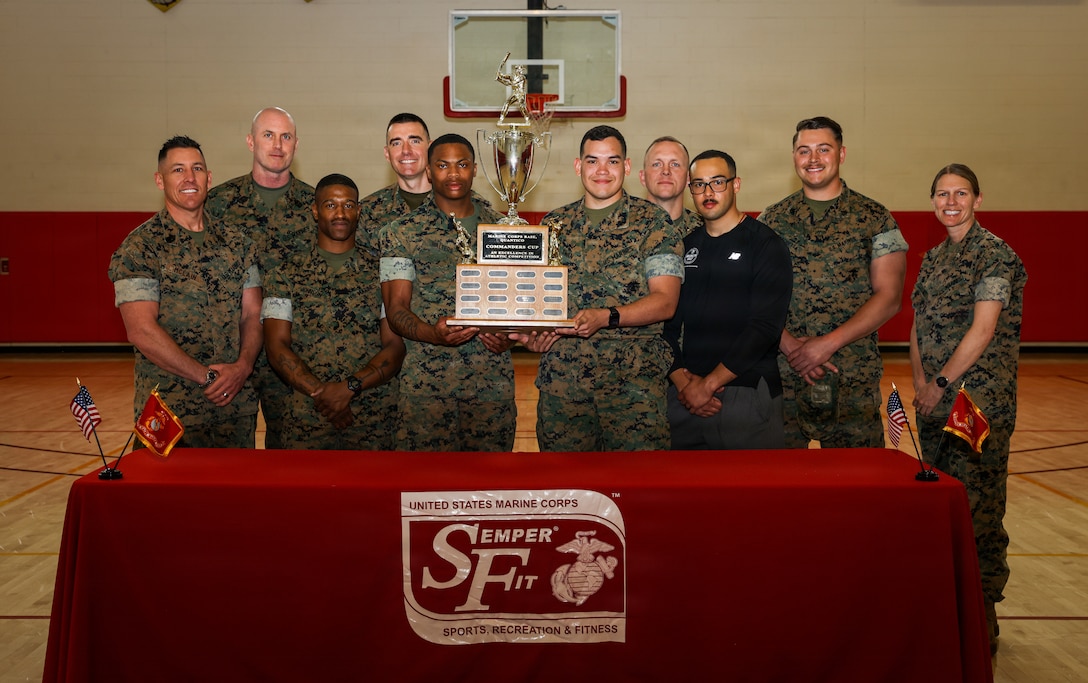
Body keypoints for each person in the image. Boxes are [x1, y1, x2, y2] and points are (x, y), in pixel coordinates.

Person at [909, 163, 1026, 655]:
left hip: (976, 405)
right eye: (941, 194)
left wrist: (938, 382)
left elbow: (982, 331)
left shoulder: (994, 255)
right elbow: (917, 324)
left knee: (977, 508)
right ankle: (943, 610)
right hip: (934, 401)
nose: (950, 202)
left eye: (960, 193)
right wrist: (919, 380)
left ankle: (982, 616)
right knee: (936, 508)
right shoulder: (933, 258)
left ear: (978, 199)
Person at [511, 125, 684, 451]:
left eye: (612, 161)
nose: (602, 171)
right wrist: (532, 334)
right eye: (592, 161)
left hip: (633, 393)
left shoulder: (653, 223)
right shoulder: (552, 225)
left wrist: (606, 317)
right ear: (579, 167)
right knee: (566, 493)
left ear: (627, 167)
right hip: (563, 391)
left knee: (637, 493)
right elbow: (535, 301)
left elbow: (665, 302)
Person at [759, 116, 907, 448]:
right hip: (785, 375)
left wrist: (826, 345)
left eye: (823, 149)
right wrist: (790, 346)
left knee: (856, 492)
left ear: (841, 154)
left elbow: (889, 297)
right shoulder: (770, 221)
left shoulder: (875, 218)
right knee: (779, 489)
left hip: (852, 378)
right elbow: (754, 294)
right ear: (794, 157)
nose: (813, 159)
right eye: (803, 151)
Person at [109, 135, 261, 447]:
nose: (189, 178)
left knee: (234, 494)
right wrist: (206, 377)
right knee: (163, 496)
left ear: (209, 177)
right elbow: (141, 330)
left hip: (233, 408)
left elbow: (253, 313)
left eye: (197, 169)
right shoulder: (140, 248)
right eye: (178, 170)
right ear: (159, 180)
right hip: (169, 410)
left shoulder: (239, 243)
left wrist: (242, 367)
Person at [379, 133, 516, 451]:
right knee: (424, 493)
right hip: (427, 391)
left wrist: (511, 336)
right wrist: (432, 334)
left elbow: (520, 303)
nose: (453, 174)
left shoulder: (505, 230)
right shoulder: (400, 233)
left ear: (475, 169)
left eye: (462, 164)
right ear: (428, 171)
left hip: (492, 388)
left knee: (490, 491)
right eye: (442, 165)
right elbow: (396, 309)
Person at [262, 174, 405, 450]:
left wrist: (348, 388)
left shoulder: (383, 273)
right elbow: (276, 346)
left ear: (359, 211)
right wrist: (323, 394)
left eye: (349, 205)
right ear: (315, 211)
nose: (341, 213)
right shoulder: (285, 273)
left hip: (373, 417)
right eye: (330, 205)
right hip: (308, 415)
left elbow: (394, 346)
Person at [664, 150, 793, 449]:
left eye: (717, 182)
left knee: (750, 493)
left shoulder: (766, 245)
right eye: (698, 184)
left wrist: (709, 384)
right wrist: (685, 384)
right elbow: (666, 325)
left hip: (746, 392)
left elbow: (765, 327)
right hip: (686, 395)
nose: (708, 192)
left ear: (736, 185)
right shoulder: (685, 247)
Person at [206, 106, 315, 449]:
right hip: (233, 350)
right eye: (268, 135)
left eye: (286, 136)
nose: (277, 145)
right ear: (251, 142)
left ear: (296, 144)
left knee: (293, 457)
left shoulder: (316, 205)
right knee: (230, 459)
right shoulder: (218, 204)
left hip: (295, 350)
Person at [358, 113, 433, 249]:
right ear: (387, 154)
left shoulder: (461, 206)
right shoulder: (368, 212)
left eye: (414, 141)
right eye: (397, 143)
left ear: (430, 148)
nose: (406, 151)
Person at [638, 136, 701, 236]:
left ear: (688, 178)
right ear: (643, 177)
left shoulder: (704, 230)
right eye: (657, 164)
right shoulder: (618, 228)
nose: (666, 171)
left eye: (675, 164)